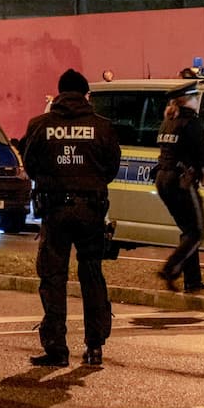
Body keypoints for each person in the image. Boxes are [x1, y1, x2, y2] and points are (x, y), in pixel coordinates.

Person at [18, 68, 121, 368]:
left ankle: (56, 349)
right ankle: (95, 346)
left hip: (55, 209)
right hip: (90, 210)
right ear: (85, 94)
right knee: (92, 275)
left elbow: (31, 163)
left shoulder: (40, 125)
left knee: (53, 278)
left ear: (60, 92)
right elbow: (111, 167)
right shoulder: (102, 127)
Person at [153, 83, 204, 292]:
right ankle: (170, 269)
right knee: (196, 232)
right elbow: (203, 153)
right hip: (181, 181)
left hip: (163, 179)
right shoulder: (191, 123)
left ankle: (192, 280)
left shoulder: (168, 122)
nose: (198, 100)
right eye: (195, 97)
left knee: (188, 231)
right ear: (186, 100)